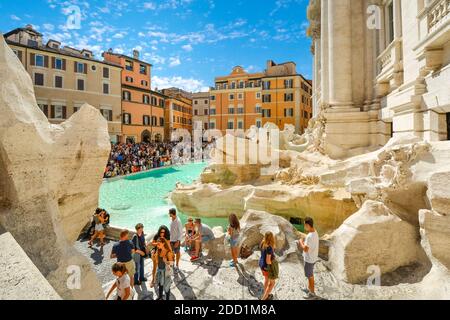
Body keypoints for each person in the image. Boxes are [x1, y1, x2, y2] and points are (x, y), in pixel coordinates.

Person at [298, 217, 319, 299]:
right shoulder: (315, 232)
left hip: (309, 259)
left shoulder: (310, 236)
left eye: (304, 225)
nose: (304, 227)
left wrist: (301, 242)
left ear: (307, 225)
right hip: (313, 258)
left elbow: (306, 249)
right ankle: (310, 289)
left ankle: (312, 294)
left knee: (310, 276)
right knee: (310, 275)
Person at [259, 231, 278, 300]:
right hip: (267, 266)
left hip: (261, 264)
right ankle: (264, 298)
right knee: (272, 283)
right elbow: (268, 260)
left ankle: (266, 294)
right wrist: (273, 267)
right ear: (272, 238)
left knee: (266, 280)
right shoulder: (269, 247)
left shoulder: (262, 243)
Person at [155, 236, 174, 300]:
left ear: (163, 243)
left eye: (159, 244)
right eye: (157, 244)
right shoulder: (158, 251)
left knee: (166, 287)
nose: (157, 245)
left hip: (166, 272)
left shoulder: (168, 252)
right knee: (160, 284)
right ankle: (160, 297)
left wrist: (166, 261)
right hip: (160, 270)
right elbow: (157, 262)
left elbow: (171, 264)